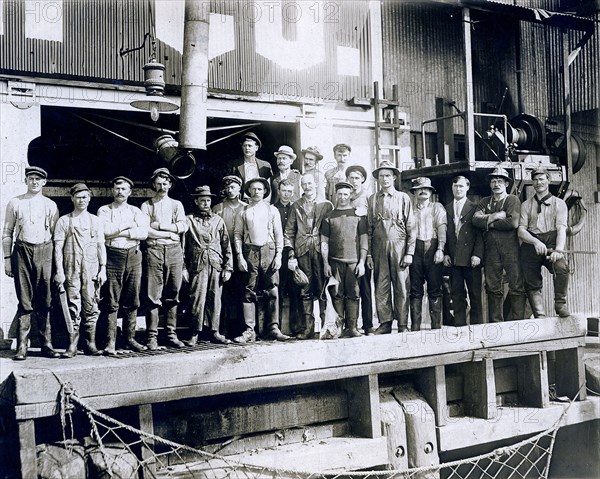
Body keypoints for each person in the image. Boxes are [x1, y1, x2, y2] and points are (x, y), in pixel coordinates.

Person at [3, 166, 59, 360]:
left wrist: (56, 265)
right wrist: (7, 259)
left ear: (44, 182)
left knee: (45, 299)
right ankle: (22, 347)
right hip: (22, 251)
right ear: (26, 180)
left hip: (45, 250)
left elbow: (55, 236)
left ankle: (47, 345)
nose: (34, 182)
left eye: (38, 179)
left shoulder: (50, 205)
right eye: (31, 178)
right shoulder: (15, 203)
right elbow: (6, 233)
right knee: (25, 300)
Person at [97, 176, 149, 355]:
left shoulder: (136, 210)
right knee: (112, 299)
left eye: (124, 189)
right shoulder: (104, 210)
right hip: (113, 256)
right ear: (113, 190)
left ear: (130, 192)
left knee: (132, 298)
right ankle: (111, 341)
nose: (120, 191)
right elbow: (105, 231)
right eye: (117, 188)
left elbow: (143, 233)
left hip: (134, 255)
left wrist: (117, 230)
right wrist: (128, 227)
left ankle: (130, 338)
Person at [233, 178, 289, 343]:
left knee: (272, 289)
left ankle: (273, 328)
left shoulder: (272, 210)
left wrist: (278, 255)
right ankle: (250, 330)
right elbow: (237, 235)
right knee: (249, 290)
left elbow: (279, 234)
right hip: (250, 251)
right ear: (248, 191)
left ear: (265, 191)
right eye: (253, 189)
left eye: (259, 189)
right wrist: (239, 256)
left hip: (269, 250)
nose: (256, 192)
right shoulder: (243, 211)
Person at [54, 183, 106, 357]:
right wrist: (59, 271)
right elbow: (57, 248)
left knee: (91, 304)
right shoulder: (64, 221)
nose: (81, 200)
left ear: (89, 198)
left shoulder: (96, 221)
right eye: (78, 197)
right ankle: (72, 344)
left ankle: (90, 343)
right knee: (72, 305)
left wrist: (103, 268)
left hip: (91, 269)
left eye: (84, 197)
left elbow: (101, 246)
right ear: (72, 198)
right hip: (71, 267)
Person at [141, 168, 188, 350]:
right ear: (153, 184)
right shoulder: (147, 205)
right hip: (154, 251)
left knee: (173, 293)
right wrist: (170, 234)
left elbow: (183, 226)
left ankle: (171, 334)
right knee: (153, 295)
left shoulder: (177, 205)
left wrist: (160, 226)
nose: (162, 187)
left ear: (170, 185)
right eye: (159, 183)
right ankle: (152, 336)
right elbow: (145, 231)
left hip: (174, 252)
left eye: (165, 183)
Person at [367, 161, 416, 334]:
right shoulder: (372, 199)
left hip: (399, 246)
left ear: (394, 177)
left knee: (402, 286)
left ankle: (402, 324)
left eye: (388, 175)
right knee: (381, 286)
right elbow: (369, 229)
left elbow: (411, 227)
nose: (385, 179)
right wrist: (369, 256)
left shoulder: (403, 198)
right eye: (381, 176)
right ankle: (385, 323)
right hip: (379, 247)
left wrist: (409, 252)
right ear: (377, 178)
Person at [472, 167, 526, 322]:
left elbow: (513, 222)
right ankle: (496, 324)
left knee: (516, 285)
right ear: (490, 184)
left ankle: (518, 324)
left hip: (511, 249)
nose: (496, 184)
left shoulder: (512, 200)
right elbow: (475, 220)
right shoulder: (484, 201)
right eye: (493, 181)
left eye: (500, 181)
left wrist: (489, 224)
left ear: (506, 184)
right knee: (493, 287)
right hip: (491, 250)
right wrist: (496, 216)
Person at [285, 174, 334, 339]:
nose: (307, 187)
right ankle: (307, 328)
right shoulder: (296, 205)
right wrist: (291, 253)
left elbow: (331, 231)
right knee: (305, 289)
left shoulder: (326, 205)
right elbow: (289, 231)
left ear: (316, 184)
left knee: (322, 289)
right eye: (304, 184)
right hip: (302, 251)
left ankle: (326, 327)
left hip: (321, 252)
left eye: (310, 183)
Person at [518, 168, 570, 318]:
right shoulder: (526, 205)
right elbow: (521, 231)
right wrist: (535, 242)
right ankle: (539, 314)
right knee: (531, 278)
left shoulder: (559, 204)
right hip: (531, 243)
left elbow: (561, 229)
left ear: (548, 180)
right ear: (532, 183)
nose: (538, 182)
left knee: (561, 268)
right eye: (535, 180)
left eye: (542, 179)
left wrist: (558, 251)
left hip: (552, 243)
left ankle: (560, 303)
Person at [183, 186, 233, 344]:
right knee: (196, 298)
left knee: (215, 298)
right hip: (197, 264)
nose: (205, 203)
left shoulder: (218, 220)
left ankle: (215, 331)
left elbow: (226, 245)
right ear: (196, 201)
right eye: (202, 200)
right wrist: (183, 268)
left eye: (208, 200)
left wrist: (228, 267)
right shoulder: (188, 220)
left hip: (215, 263)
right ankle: (194, 332)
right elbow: (182, 246)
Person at [321, 182, 368, 337]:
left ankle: (352, 327)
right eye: (339, 194)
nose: (342, 197)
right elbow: (324, 242)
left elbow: (363, 240)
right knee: (337, 294)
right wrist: (326, 263)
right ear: (336, 195)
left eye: (345, 194)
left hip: (353, 262)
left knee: (354, 294)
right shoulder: (328, 217)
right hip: (335, 262)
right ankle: (338, 328)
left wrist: (361, 262)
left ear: (350, 195)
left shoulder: (358, 215)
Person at [443, 176, 484, 326]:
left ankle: (477, 328)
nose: (458, 189)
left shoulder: (475, 208)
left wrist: (477, 254)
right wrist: (446, 252)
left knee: (475, 295)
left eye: (461, 186)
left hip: (471, 259)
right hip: (454, 259)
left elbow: (480, 234)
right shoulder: (445, 208)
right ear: (452, 188)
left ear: (467, 187)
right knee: (457, 294)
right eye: (455, 186)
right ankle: (460, 327)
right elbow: (444, 233)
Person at [409, 177, 447, 331]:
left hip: (432, 247)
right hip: (415, 249)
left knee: (434, 288)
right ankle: (415, 327)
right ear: (415, 192)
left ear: (431, 192)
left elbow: (442, 229)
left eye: (426, 189)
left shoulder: (437, 207)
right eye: (419, 189)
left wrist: (440, 249)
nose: (423, 191)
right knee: (415, 289)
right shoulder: (409, 209)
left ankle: (436, 327)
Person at [212, 175, 247, 338]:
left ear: (239, 189)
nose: (230, 190)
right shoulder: (218, 208)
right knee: (224, 291)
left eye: (233, 187)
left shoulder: (246, 208)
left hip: (242, 252)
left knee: (242, 289)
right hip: (223, 252)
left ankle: (242, 328)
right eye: (227, 187)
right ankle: (222, 328)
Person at [346, 165, 374, 334]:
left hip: (363, 248)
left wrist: (369, 253)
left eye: (357, 178)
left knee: (365, 288)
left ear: (362, 179)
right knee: (348, 289)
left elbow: (370, 227)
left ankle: (368, 324)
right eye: (351, 178)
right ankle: (350, 325)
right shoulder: (343, 196)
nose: (354, 181)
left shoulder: (368, 198)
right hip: (347, 250)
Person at [273, 179, 300, 335]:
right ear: (279, 190)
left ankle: (295, 326)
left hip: (293, 253)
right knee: (279, 289)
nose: (287, 194)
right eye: (284, 191)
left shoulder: (296, 207)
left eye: (290, 191)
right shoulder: (273, 208)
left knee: (295, 288)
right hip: (278, 254)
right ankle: (277, 328)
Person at [229, 132, 273, 200]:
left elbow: (269, 187)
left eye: (250, 146)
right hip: (242, 201)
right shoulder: (235, 165)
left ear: (256, 148)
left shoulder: (265, 166)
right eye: (244, 146)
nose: (247, 148)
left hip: (259, 201)